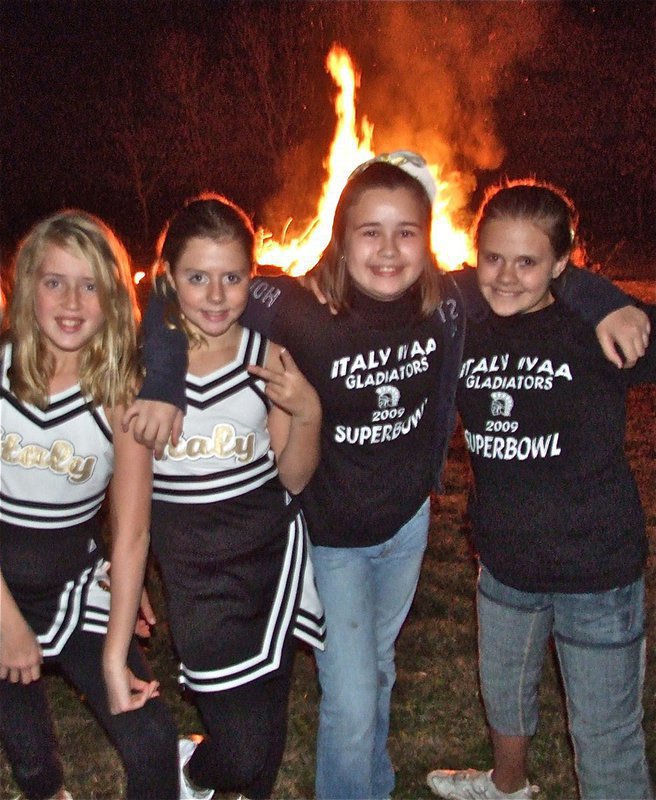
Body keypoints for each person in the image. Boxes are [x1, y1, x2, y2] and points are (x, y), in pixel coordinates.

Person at [131, 153, 651, 800]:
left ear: (428, 239)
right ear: (340, 238)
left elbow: (541, 267)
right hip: (336, 535)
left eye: (406, 231)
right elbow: (169, 289)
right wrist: (159, 381)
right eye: (369, 231)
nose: (387, 249)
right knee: (351, 698)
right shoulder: (295, 304)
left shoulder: (451, 300)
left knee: (377, 672)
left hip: (413, 527)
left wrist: (602, 300)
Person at [426, 180, 655, 800]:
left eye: (528, 262)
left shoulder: (593, 328)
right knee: (505, 698)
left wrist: (596, 295)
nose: (504, 277)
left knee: (607, 741)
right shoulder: (463, 320)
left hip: (597, 573)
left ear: (561, 262)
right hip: (504, 565)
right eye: (493, 257)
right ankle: (507, 786)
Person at [141, 194, 324, 800]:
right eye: (197, 277)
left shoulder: (265, 358)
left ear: (253, 277)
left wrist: (306, 413)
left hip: (270, 559)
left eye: (232, 277)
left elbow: (292, 477)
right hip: (195, 574)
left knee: (267, 734)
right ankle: (194, 770)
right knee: (241, 747)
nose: (216, 296)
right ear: (168, 279)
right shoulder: (140, 370)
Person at [0, 210, 179, 800]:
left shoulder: (122, 396)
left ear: (114, 295)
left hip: (75, 583)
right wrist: (7, 623)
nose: (72, 301)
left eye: (90, 284)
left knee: (150, 738)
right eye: (54, 282)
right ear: (28, 288)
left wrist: (113, 655)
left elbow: (131, 535)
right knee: (29, 754)